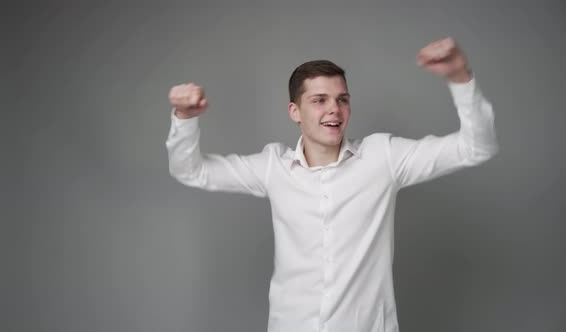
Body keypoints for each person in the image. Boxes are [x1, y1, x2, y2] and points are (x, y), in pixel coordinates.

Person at [165, 37, 498, 332]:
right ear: (295, 111)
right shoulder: (272, 168)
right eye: (319, 100)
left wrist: (459, 76)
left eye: (342, 99)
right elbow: (191, 171)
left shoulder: (383, 157)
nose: (334, 110)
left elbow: (476, 147)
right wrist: (183, 118)